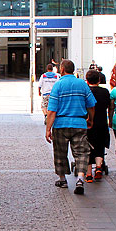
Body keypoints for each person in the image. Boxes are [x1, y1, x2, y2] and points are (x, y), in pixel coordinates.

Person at [45, 59, 96, 195]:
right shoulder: (82, 84)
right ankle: (80, 178)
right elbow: (91, 105)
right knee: (82, 153)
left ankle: (62, 179)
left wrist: (48, 129)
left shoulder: (58, 85)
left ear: (62, 69)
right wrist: (90, 119)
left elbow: (52, 111)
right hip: (79, 123)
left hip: (61, 125)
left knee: (60, 153)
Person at [85, 69, 111, 181]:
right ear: (99, 80)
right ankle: (99, 167)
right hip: (102, 122)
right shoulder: (105, 92)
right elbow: (109, 106)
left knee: (87, 147)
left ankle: (89, 173)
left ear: (86, 80)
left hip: (88, 123)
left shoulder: (86, 92)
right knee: (100, 145)